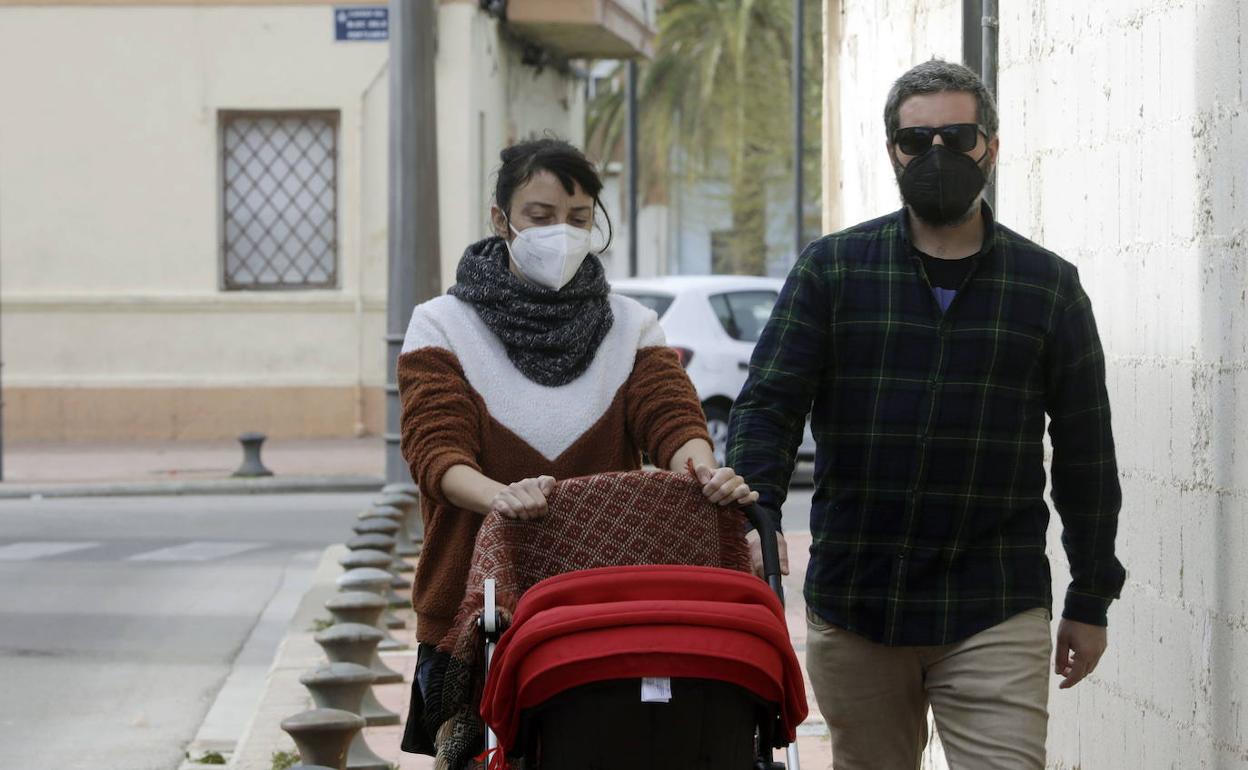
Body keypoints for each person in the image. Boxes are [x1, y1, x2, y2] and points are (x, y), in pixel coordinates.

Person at [727, 60, 1125, 769]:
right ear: (893, 153)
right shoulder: (834, 272)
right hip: (858, 601)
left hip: (995, 600)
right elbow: (769, 404)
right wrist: (755, 518)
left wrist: (1091, 595)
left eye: (958, 135)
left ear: (991, 148)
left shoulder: (1049, 289)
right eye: (916, 141)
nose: (935, 154)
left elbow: (1087, 452)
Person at [396, 137, 758, 758]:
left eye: (579, 218)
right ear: (500, 219)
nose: (559, 233)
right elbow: (436, 450)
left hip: (600, 618)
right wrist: (499, 497)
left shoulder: (631, 326)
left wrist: (704, 472)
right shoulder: (441, 325)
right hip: (475, 612)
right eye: (540, 217)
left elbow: (671, 419)